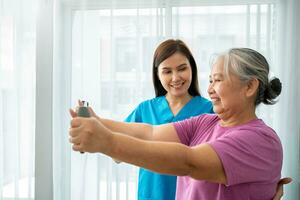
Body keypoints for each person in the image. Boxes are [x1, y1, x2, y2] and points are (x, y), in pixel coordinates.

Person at [69, 47, 283, 199]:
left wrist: (106, 141)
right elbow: (150, 133)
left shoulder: (260, 140)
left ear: (249, 87)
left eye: (218, 80)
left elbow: (189, 162)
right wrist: (99, 122)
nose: (210, 89)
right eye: (210, 81)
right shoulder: (206, 122)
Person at [72, 39, 214, 200]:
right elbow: (117, 156)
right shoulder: (145, 110)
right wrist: (95, 125)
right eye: (167, 71)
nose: (175, 78)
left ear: (192, 69)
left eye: (182, 69)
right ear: (157, 74)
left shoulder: (210, 111)